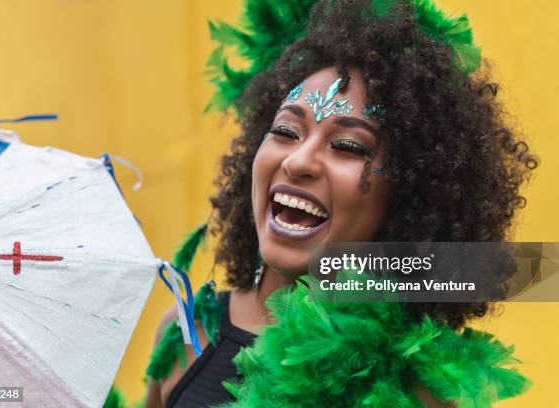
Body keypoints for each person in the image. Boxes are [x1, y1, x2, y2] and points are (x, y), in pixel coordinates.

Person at [144, 0, 536, 407]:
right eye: (285, 130)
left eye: (348, 146)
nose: (297, 161)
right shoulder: (186, 334)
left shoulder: (413, 389)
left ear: (409, 197)